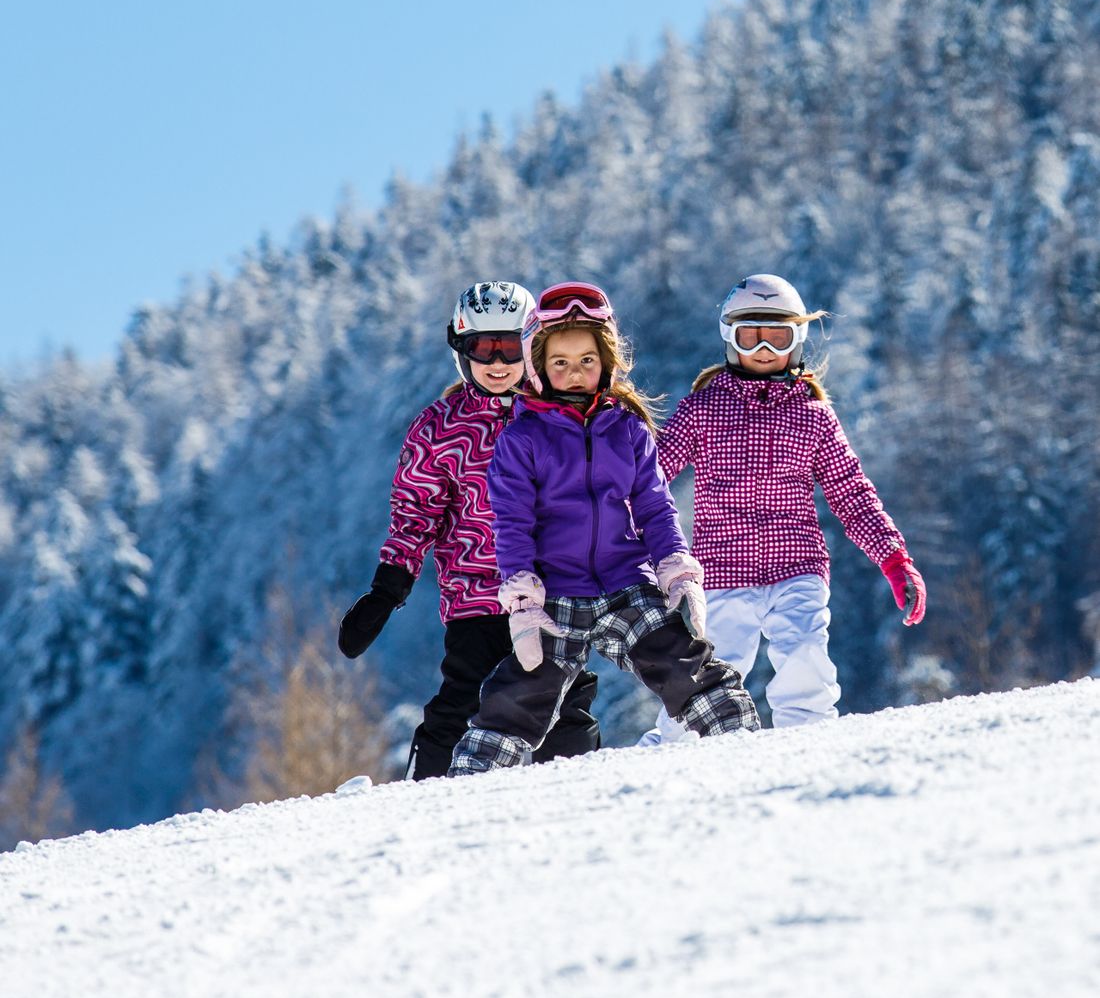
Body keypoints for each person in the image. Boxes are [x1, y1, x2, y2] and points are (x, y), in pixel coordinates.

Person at [449, 282, 760, 776]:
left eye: (587, 361)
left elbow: (656, 507)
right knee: (522, 693)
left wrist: (677, 569)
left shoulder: (628, 430)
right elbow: (511, 522)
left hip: (625, 584)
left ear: (607, 362)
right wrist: (524, 600)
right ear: (536, 368)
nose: (575, 373)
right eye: (560, 362)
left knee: (686, 664)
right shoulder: (522, 438)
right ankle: (467, 781)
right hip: (556, 594)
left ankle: (747, 753)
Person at [639, 273, 926, 743]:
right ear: (729, 338)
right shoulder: (704, 409)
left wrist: (895, 561)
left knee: (805, 660)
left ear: (798, 341)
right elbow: (649, 480)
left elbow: (851, 493)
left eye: (779, 336)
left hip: (797, 566)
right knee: (709, 675)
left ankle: (808, 746)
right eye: (751, 336)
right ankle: (669, 751)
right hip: (723, 569)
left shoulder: (812, 415)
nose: (765, 349)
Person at [337, 281, 601, 779]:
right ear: (462, 350)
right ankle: (431, 789)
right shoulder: (440, 427)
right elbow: (416, 511)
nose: (498, 363)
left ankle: (574, 795)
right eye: (485, 349)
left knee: (562, 701)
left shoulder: (560, 415)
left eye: (510, 348)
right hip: (477, 597)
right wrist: (387, 586)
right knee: (465, 700)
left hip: (556, 593)